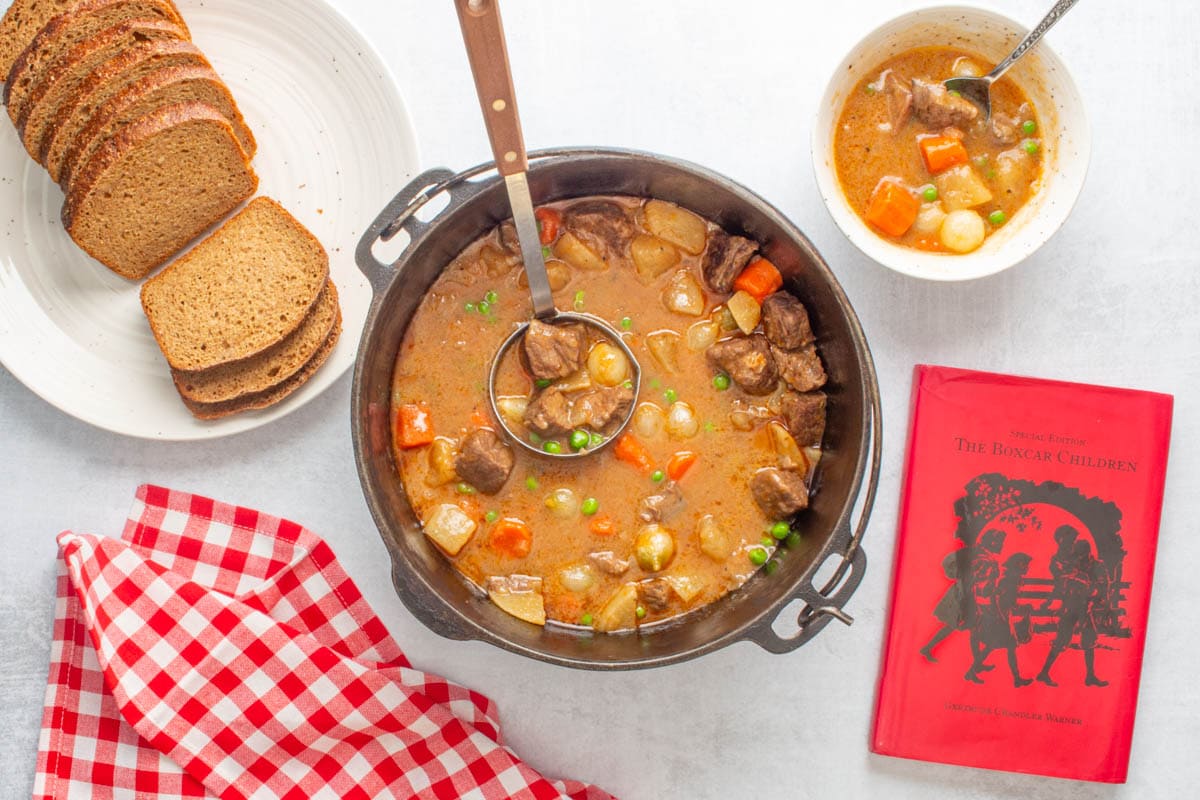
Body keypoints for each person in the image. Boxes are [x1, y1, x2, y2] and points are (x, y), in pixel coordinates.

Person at [1036, 537, 1109, 687]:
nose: (1079, 558)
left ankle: (1090, 676)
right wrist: (1050, 601)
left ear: (1088, 552)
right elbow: (1061, 584)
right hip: (1071, 606)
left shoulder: (1098, 566)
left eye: (1081, 554)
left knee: (1089, 640)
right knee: (1061, 641)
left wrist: (1096, 599)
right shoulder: (1074, 565)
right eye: (1077, 554)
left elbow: (1104, 585)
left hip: (1087, 605)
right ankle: (1043, 673)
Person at [964, 552, 1033, 686]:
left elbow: (1010, 601)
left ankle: (972, 672)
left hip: (1005, 616)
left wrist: (1020, 607)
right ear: (1018, 565)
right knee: (1000, 646)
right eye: (1025, 565)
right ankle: (1016, 679)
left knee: (997, 646)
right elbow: (998, 599)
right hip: (1002, 618)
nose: (1027, 568)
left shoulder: (1016, 579)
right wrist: (1003, 617)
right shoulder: (1008, 580)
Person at [962, 529, 1005, 683]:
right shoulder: (985, 560)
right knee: (994, 639)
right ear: (992, 542)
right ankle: (972, 670)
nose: (1002, 545)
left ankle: (976, 666)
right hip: (983, 604)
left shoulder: (984, 557)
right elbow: (975, 583)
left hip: (981, 603)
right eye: (1000, 542)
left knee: (977, 635)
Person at [919, 548, 966, 662]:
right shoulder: (962, 572)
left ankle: (927, 648)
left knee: (949, 628)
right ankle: (927, 648)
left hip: (961, 599)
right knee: (950, 627)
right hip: (956, 600)